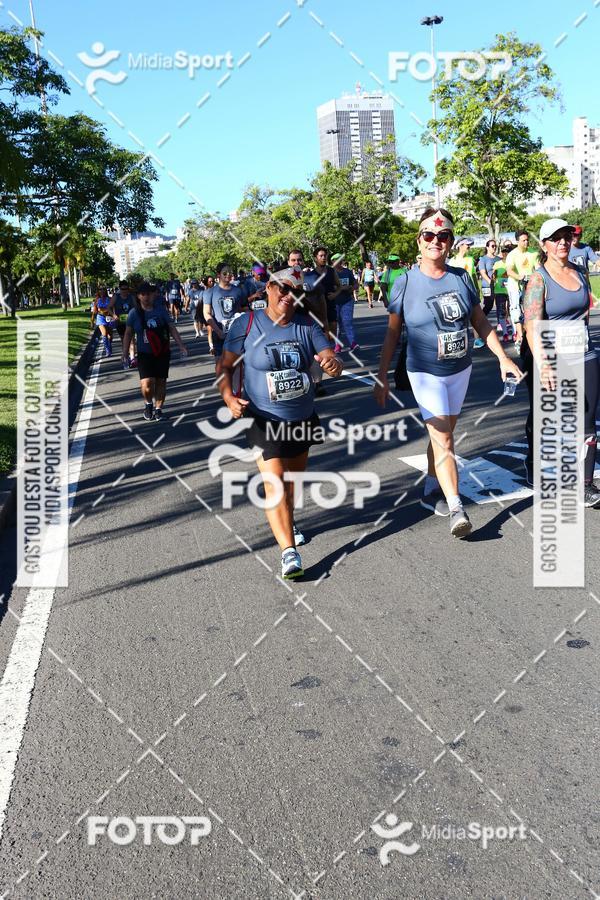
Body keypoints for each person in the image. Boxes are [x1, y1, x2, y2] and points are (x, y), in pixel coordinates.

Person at [374, 208, 521, 538]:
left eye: (443, 236)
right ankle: (456, 507)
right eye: (429, 234)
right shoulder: (405, 282)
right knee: (444, 439)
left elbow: (480, 321)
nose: (436, 241)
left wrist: (503, 357)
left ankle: (430, 488)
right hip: (425, 371)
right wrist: (382, 375)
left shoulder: (460, 277)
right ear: (419, 239)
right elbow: (393, 333)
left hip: (460, 369)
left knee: (441, 437)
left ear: (451, 242)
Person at [219, 266, 343, 578]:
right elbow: (225, 367)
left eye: (296, 292)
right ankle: (289, 553)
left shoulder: (308, 325)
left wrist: (332, 364)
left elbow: (331, 360)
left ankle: (288, 521)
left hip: (300, 417)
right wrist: (229, 398)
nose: (288, 296)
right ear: (269, 288)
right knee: (275, 484)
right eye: (283, 288)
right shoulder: (246, 324)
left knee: (291, 486)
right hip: (263, 418)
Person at [521, 218, 600, 504]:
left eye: (566, 236)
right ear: (544, 245)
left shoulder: (580, 271)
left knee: (587, 417)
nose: (563, 242)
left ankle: (586, 484)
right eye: (555, 238)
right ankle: (534, 461)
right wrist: (543, 363)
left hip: (584, 352)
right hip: (550, 356)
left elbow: (585, 312)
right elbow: (531, 325)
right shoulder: (538, 279)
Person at [122, 282, 188, 421]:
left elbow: (171, 328)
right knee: (147, 382)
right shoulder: (134, 313)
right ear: (138, 296)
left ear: (153, 295)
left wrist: (181, 345)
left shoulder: (161, 310)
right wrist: (125, 353)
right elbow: (128, 334)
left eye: (148, 294)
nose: (146, 297)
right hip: (145, 353)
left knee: (161, 381)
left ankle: (158, 409)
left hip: (162, 351)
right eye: (143, 294)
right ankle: (148, 404)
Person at [288, 249, 330, 397]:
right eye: (293, 260)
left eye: (299, 260)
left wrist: (325, 323)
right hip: (290, 323)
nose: (296, 263)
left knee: (315, 354)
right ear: (288, 262)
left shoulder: (313, 278)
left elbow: (322, 300)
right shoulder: (283, 279)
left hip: (311, 322)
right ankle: (298, 384)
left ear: (303, 261)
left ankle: (318, 384)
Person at [202, 263, 247, 371]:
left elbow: (243, 309)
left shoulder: (238, 290)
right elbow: (206, 313)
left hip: (236, 333)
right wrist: (218, 331)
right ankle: (223, 386)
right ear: (218, 275)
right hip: (219, 333)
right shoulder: (209, 292)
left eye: (230, 272)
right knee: (220, 366)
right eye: (224, 273)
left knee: (238, 366)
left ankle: (236, 387)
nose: (228, 275)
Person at [506, 231, 539, 351]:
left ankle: (530, 335)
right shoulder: (512, 254)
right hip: (515, 285)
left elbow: (538, 268)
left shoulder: (533, 253)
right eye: (523, 240)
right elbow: (509, 271)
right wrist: (521, 276)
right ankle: (519, 337)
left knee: (530, 311)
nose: (526, 242)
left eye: (527, 240)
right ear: (517, 241)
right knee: (516, 309)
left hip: (529, 285)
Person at [313, 246, 341, 344]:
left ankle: (331, 353)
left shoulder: (331, 271)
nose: (323, 258)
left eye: (325, 255)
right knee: (323, 336)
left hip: (330, 305)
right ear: (316, 258)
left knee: (332, 336)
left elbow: (339, 286)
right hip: (318, 308)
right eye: (321, 256)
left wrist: (335, 294)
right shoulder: (311, 275)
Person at [331, 253, 359, 352]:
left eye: (341, 260)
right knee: (337, 324)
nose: (339, 262)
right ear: (333, 261)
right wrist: (342, 288)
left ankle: (353, 343)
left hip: (347, 300)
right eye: (337, 260)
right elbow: (329, 287)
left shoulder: (347, 271)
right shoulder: (330, 273)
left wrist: (352, 288)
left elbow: (355, 283)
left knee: (347, 322)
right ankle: (337, 345)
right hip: (334, 302)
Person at [478, 239, 500, 341]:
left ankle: (501, 324)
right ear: (487, 247)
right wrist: (490, 281)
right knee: (489, 305)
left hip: (499, 285)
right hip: (487, 285)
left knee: (502, 304)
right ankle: (480, 321)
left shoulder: (498, 259)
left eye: (495, 246)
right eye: (492, 246)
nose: (494, 248)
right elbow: (483, 272)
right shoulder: (483, 259)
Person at [113, 280, 137, 367]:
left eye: (126, 289)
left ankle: (133, 358)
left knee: (132, 340)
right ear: (120, 289)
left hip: (130, 322)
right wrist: (113, 315)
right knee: (124, 341)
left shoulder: (131, 297)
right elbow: (109, 307)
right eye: (123, 289)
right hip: (120, 322)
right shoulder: (116, 297)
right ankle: (125, 357)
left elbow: (136, 307)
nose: (125, 291)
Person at [492, 243, 512, 341]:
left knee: (512, 310)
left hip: (512, 289)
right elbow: (494, 275)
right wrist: (495, 279)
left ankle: (515, 332)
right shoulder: (497, 264)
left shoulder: (513, 263)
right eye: (503, 252)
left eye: (507, 252)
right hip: (500, 290)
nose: (505, 254)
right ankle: (505, 333)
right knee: (501, 311)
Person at [93, 286, 115, 357]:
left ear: (106, 290)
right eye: (100, 289)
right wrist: (92, 321)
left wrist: (114, 315)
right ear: (98, 291)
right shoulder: (96, 300)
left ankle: (109, 344)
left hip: (109, 317)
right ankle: (107, 350)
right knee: (104, 334)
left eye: (103, 289)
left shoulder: (110, 299)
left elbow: (112, 308)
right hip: (100, 317)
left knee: (110, 336)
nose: (102, 291)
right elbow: (94, 311)